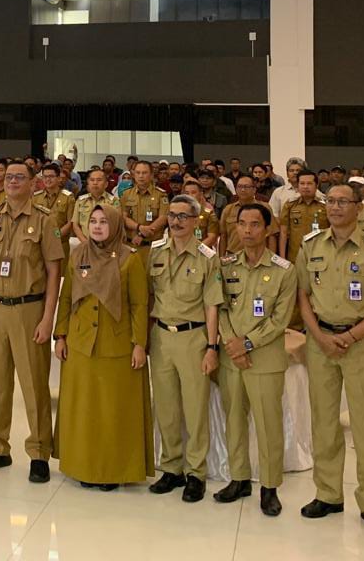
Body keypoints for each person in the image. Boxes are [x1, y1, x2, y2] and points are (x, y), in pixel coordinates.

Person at [295, 182, 364, 535]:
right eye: (331, 201)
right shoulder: (311, 245)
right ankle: (328, 494)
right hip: (320, 342)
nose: (335, 207)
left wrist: (351, 336)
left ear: (359, 207)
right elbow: (302, 296)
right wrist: (320, 337)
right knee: (324, 421)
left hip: (361, 343)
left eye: (343, 201)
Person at [0, 161, 64, 483]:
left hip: (29, 310)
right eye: (8, 177)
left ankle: (38, 452)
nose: (11, 181)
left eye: (19, 177)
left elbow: (54, 273)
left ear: (33, 183)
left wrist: (48, 318)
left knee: (34, 385)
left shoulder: (44, 220)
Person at [53, 203, 152, 489]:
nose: (97, 226)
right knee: (83, 409)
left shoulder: (129, 259)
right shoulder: (77, 255)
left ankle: (112, 471)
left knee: (112, 411)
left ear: (116, 225)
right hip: (81, 344)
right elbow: (66, 297)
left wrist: (139, 344)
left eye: (104, 222)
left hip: (116, 345)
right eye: (93, 221)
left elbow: (140, 305)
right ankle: (81, 466)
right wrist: (61, 335)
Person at [214, 203, 296, 515]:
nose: (247, 230)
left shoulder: (284, 270)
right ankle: (239, 478)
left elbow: (280, 319)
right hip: (231, 357)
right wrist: (231, 343)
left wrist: (246, 344)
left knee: (268, 424)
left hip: (265, 358)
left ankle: (270, 487)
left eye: (255, 224)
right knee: (234, 420)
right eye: (242, 224)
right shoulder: (226, 266)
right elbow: (219, 308)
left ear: (267, 228)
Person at [146, 194, 222, 500]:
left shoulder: (207, 257)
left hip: (193, 339)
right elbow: (148, 297)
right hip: (161, 337)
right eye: (172, 215)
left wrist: (212, 347)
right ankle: (172, 468)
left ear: (195, 221)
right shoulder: (155, 252)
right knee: (166, 408)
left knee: (194, 409)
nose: (175, 222)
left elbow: (212, 305)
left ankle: (196, 473)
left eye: (182, 216)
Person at [121, 160, 169, 256]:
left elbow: (163, 218)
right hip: (131, 245)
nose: (141, 176)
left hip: (153, 247)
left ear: (151, 175)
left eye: (144, 173)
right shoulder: (126, 194)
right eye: (138, 173)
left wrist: (142, 235)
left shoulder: (161, 194)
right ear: (133, 175)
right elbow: (123, 217)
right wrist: (139, 227)